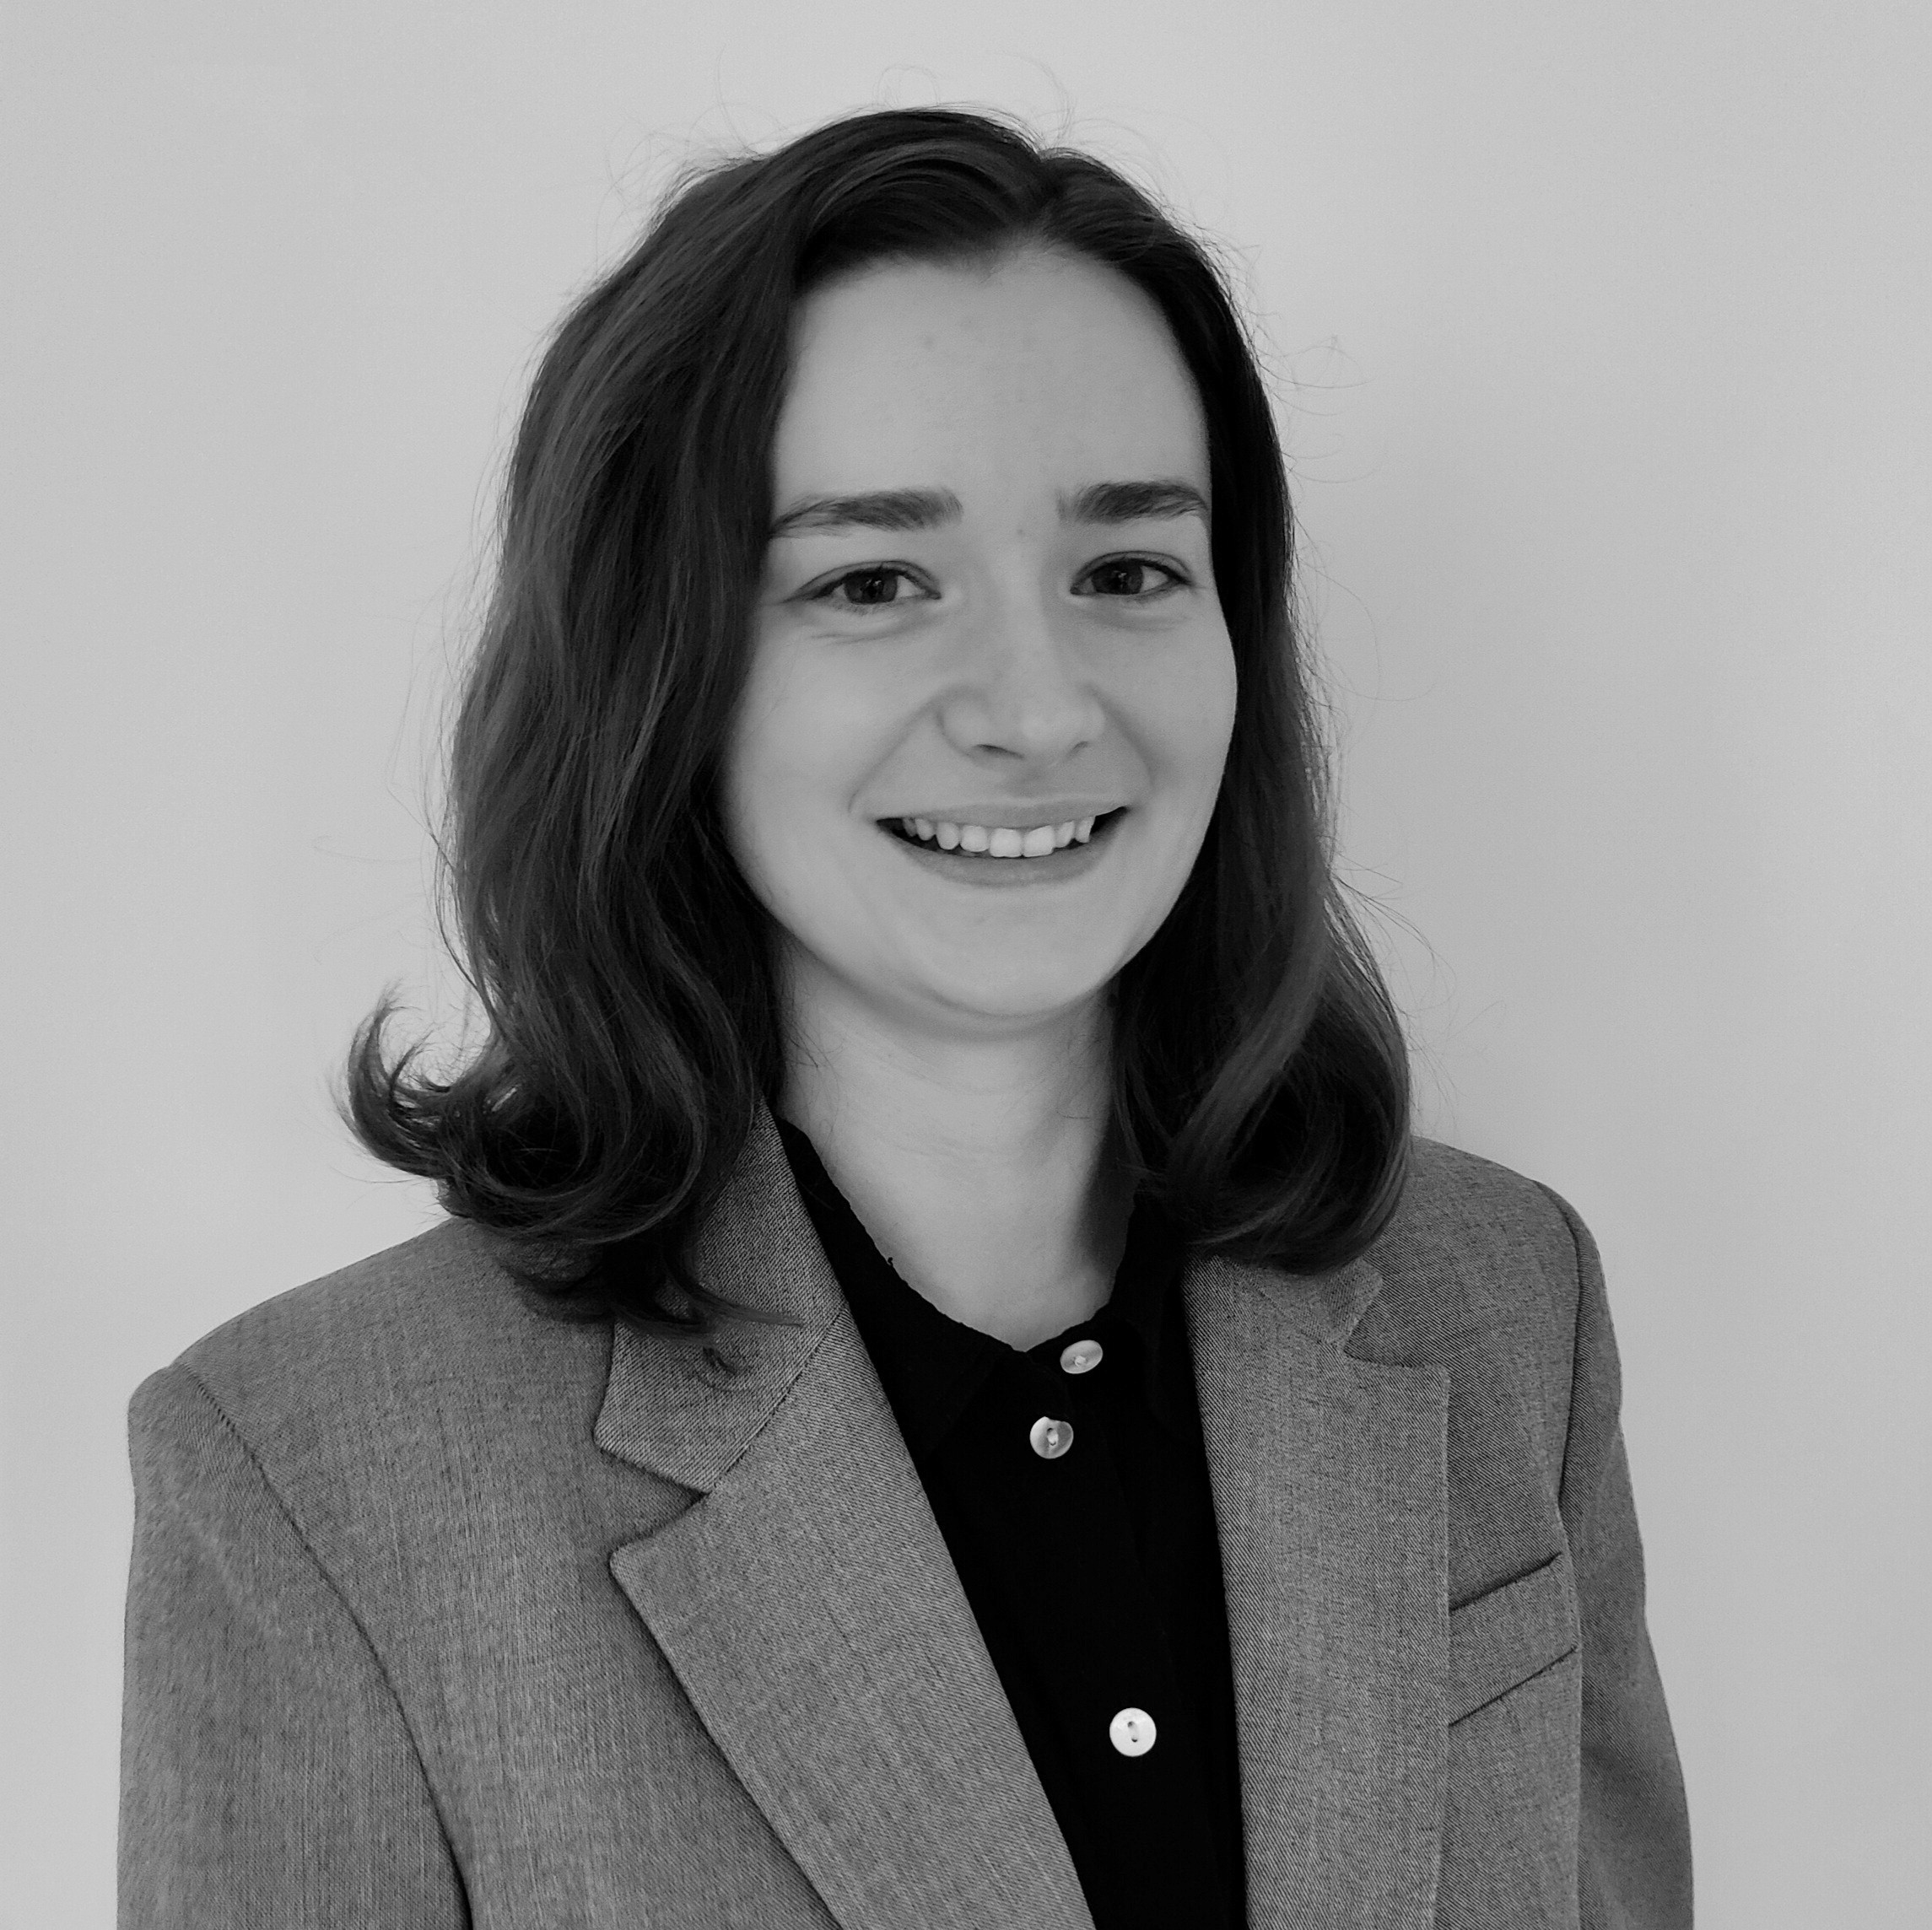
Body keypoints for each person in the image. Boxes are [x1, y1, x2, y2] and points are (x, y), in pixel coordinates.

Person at [117, 105, 1692, 1928]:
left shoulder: (1507, 1302)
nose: (1039, 708)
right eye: (871, 583)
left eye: (1127, 570)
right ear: (660, 668)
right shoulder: (307, 1475)